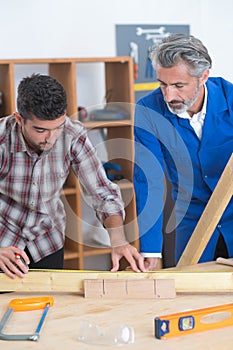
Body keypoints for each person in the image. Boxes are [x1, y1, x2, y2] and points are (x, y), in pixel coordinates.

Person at [0, 74, 145, 279]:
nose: (50, 139)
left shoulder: (72, 134)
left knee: (51, 309)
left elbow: (102, 192)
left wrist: (118, 239)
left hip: (46, 243)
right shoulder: (2, 139)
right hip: (4, 245)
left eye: (57, 128)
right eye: (40, 130)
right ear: (18, 119)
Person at [134, 33, 233, 270]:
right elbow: (150, 181)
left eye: (179, 85)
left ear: (204, 77)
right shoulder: (148, 110)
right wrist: (151, 251)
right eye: (162, 84)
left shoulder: (230, 97)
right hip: (192, 218)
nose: (169, 96)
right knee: (190, 292)